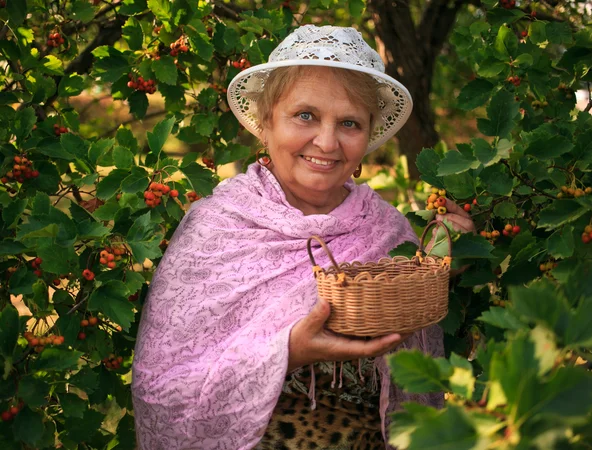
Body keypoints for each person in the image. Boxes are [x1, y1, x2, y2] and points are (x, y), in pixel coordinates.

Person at [131, 25, 475, 450]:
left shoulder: (388, 229)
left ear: (367, 137)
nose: (327, 142)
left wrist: (444, 259)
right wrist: (287, 353)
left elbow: (413, 331)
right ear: (265, 124)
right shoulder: (215, 230)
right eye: (305, 115)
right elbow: (163, 389)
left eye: (349, 123)